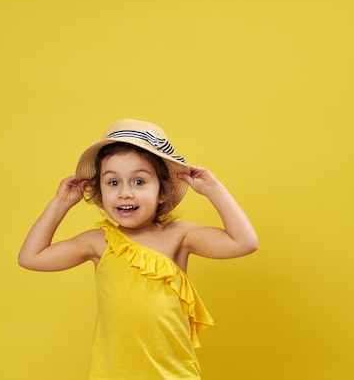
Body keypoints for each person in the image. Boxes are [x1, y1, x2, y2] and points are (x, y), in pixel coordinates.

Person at [18, 119, 258, 380]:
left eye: (139, 182)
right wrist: (60, 204)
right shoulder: (99, 242)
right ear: (99, 191)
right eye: (113, 183)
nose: (125, 193)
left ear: (162, 192)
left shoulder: (179, 236)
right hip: (113, 374)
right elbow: (31, 257)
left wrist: (214, 190)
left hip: (173, 375)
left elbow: (244, 242)